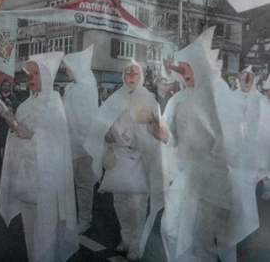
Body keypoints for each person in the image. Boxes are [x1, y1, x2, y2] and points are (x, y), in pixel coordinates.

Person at [149, 27, 259, 262]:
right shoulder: (177, 99)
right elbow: (171, 136)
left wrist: (212, 159)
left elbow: (232, 139)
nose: (183, 71)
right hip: (184, 176)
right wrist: (160, 133)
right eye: (182, 66)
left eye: (189, 65)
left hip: (212, 181)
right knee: (170, 228)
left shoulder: (218, 94)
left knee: (204, 242)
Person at [0, 52, 79, 262]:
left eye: (36, 73)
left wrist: (25, 133)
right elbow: (19, 137)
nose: (30, 77)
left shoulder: (54, 104)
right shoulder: (25, 105)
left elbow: (53, 145)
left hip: (47, 184)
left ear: (48, 75)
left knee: (45, 237)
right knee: (30, 234)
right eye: (27, 73)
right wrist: (11, 121)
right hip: (27, 180)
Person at [84, 59, 161, 261]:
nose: (132, 76)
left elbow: (154, 129)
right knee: (119, 201)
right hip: (119, 156)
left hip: (139, 157)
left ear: (141, 76)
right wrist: (107, 132)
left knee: (137, 203)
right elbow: (102, 123)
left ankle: (136, 243)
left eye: (135, 73)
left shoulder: (149, 98)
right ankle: (125, 238)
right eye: (128, 73)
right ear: (123, 76)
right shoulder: (115, 97)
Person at [63, 45, 98, 234]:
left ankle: (85, 219)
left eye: (68, 67)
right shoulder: (72, 87)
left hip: (83, 145)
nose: (66, 70)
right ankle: (75, 216)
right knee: (74, 184)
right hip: (71, 143)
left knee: (83, 185)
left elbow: (85, 119)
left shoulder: (85, 88)